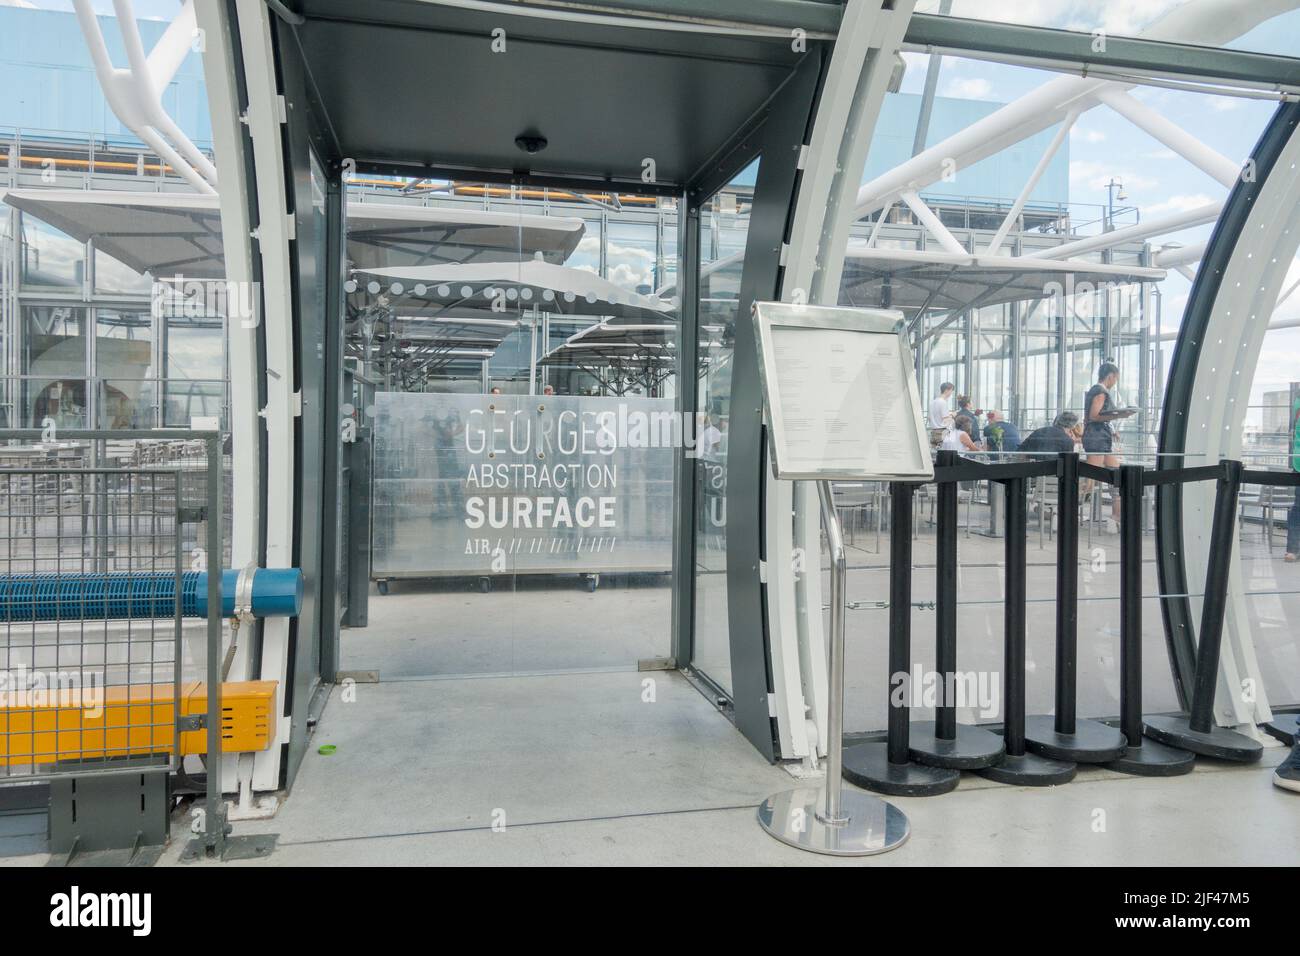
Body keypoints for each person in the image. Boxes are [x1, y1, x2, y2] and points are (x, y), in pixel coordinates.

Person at [1083, 362, 1135, 529]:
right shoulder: (1100, 392)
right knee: (1090, 481)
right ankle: (1064, 510)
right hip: (1097, 440)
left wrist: (1112, 426)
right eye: (1116, 379)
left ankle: (1117, 516)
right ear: (1111, 376)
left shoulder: (1096, 391)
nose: (1115, 382)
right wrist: (1119, 415)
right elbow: (1094, 416)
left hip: (1100, 439)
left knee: (1116, 477)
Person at [1018, 411, 1082, 456]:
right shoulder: (1067, 441)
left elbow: (1019, 452)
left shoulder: (1039, 431)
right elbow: (1068, 463)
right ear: (1072, 427)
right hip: (1053, 473)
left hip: (1032, 471)